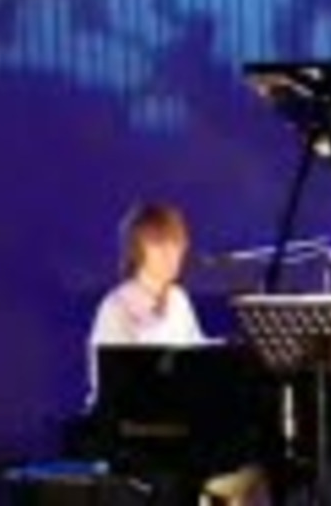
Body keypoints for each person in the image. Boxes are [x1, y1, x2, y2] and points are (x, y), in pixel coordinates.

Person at [86, 201, 267, 506]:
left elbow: (195, 355)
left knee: (252, 454)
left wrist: (228, 349)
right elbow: (109, 383)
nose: (171, 255)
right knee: (175, 473)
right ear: (138, 251)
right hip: (129, 432)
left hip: (178, 427)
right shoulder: (117, 306)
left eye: (176, 245)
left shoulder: (179, 300)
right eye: (160, 246)